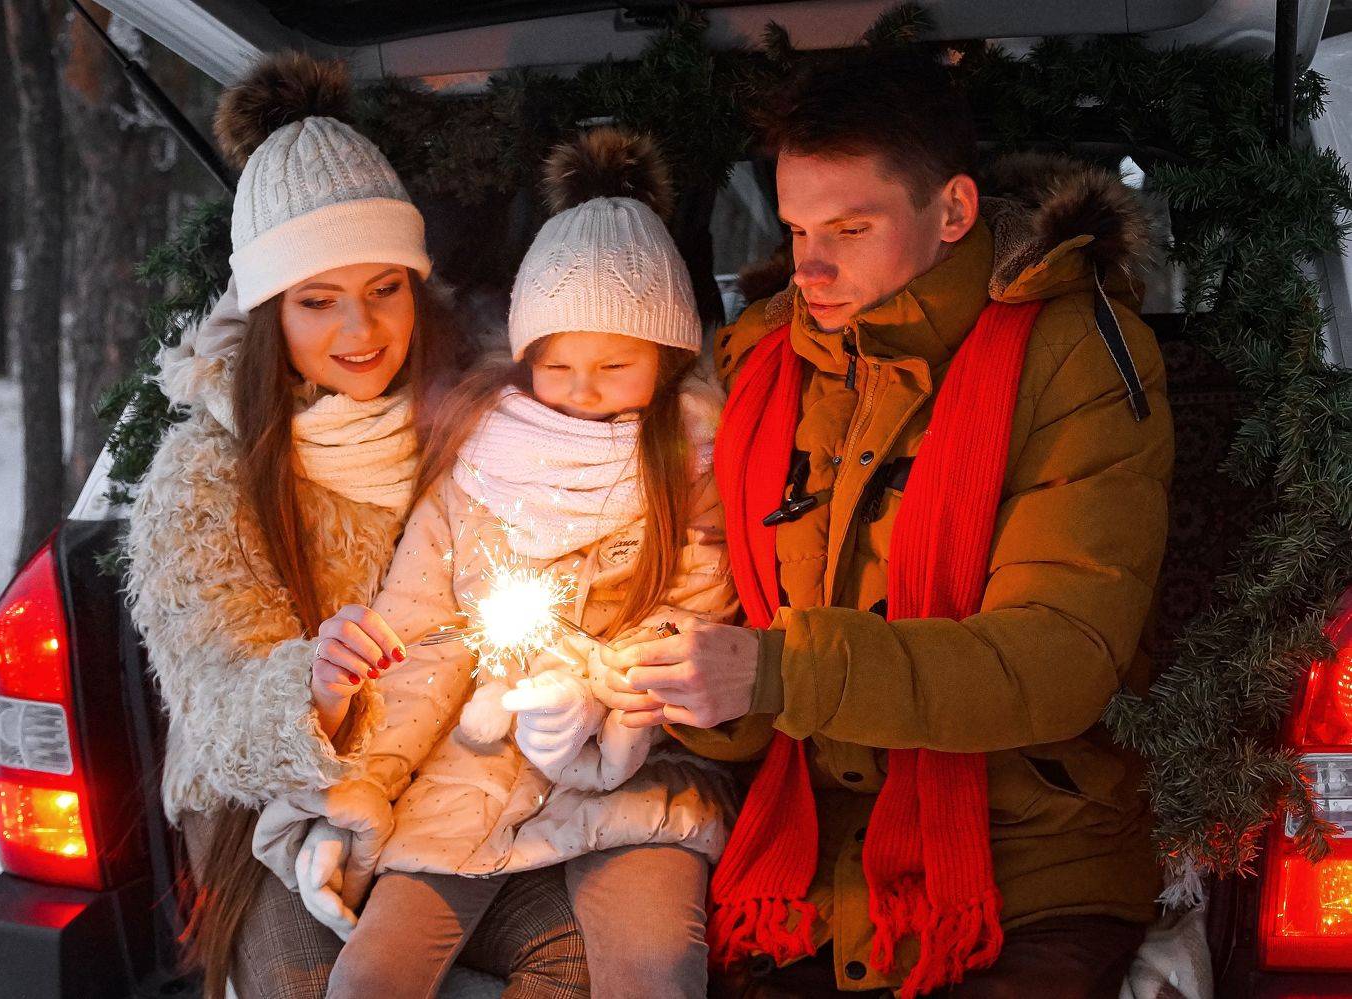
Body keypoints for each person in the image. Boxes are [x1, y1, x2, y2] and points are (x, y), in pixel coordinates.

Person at [601, 49, 1174, 997]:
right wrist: (692, 692)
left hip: (1028, 868)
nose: (808, 266)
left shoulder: (1078, 359)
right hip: (805, 871)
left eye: (850, 228)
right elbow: (744, 646)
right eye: (795, 229)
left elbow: (1060, 658)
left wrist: (778, 670)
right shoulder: (764, 361)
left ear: (952, 211)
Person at [125, 53, 584, 999]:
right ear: (268, 310)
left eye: (383, 288)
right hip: (272, 807)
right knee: (315, 982)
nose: (361, 330)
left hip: (455, 777)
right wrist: (314, 689)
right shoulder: (207, 472)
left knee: (577, 953)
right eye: (317, 301)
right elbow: (215, 699)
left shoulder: (479, 420)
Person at [260, 128, 740, 999]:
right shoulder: (479, 464)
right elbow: (419, 643)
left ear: (669, 359)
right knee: (368, 977)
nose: (582, 388)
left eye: (615, 364)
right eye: (556, 363)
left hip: (638, 782)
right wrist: (365, 786)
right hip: (468, 776)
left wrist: (596, 698)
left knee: (655, 969)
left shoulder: (695, 469)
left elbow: (695, 624)